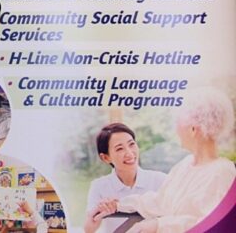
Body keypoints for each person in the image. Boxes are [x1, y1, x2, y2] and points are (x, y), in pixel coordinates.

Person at [94, 88, 236, 233]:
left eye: (178, 122)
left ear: (193, 129)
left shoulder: (222, 173)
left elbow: (214, 224)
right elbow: (160, 201)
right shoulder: (185, 165)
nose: (176, 129)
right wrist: (119, 204)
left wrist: (159, 225)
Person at [83, 123, 167, 233]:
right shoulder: (99, 186)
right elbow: (89, 229)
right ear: (106, 158)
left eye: (131, 144)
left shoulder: (160, 180)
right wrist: (99, 210)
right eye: (119, 149)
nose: (129, 153)